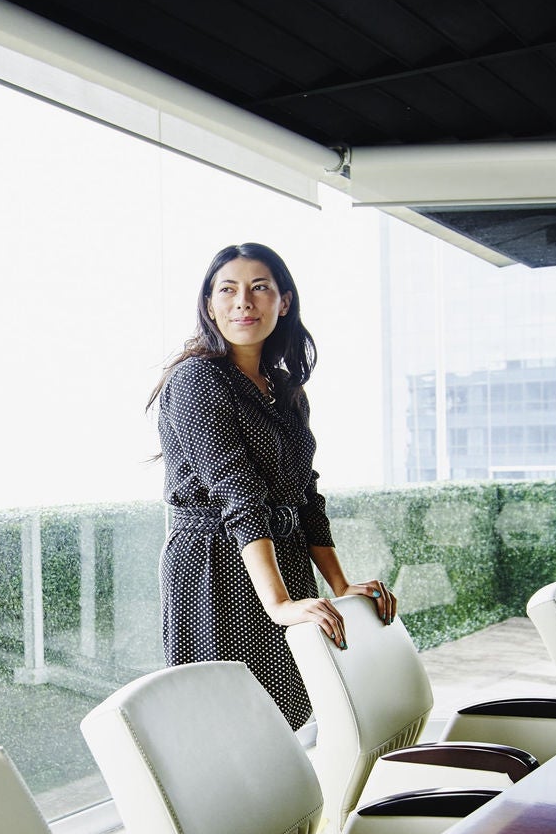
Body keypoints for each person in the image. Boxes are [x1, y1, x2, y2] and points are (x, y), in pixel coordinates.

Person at [149, 242, 394, 728]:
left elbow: (307, 495)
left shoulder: (285, 389)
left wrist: (340, 583)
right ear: (210, 305)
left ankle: (289, 806)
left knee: (289, 709)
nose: (244, 301)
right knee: (234, 719)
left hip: (282, 557)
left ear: (283, 302)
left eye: (260, 288)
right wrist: (278, 602)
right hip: (213, 563)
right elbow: (237, 494)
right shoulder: (197, 378)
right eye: (228, 290)